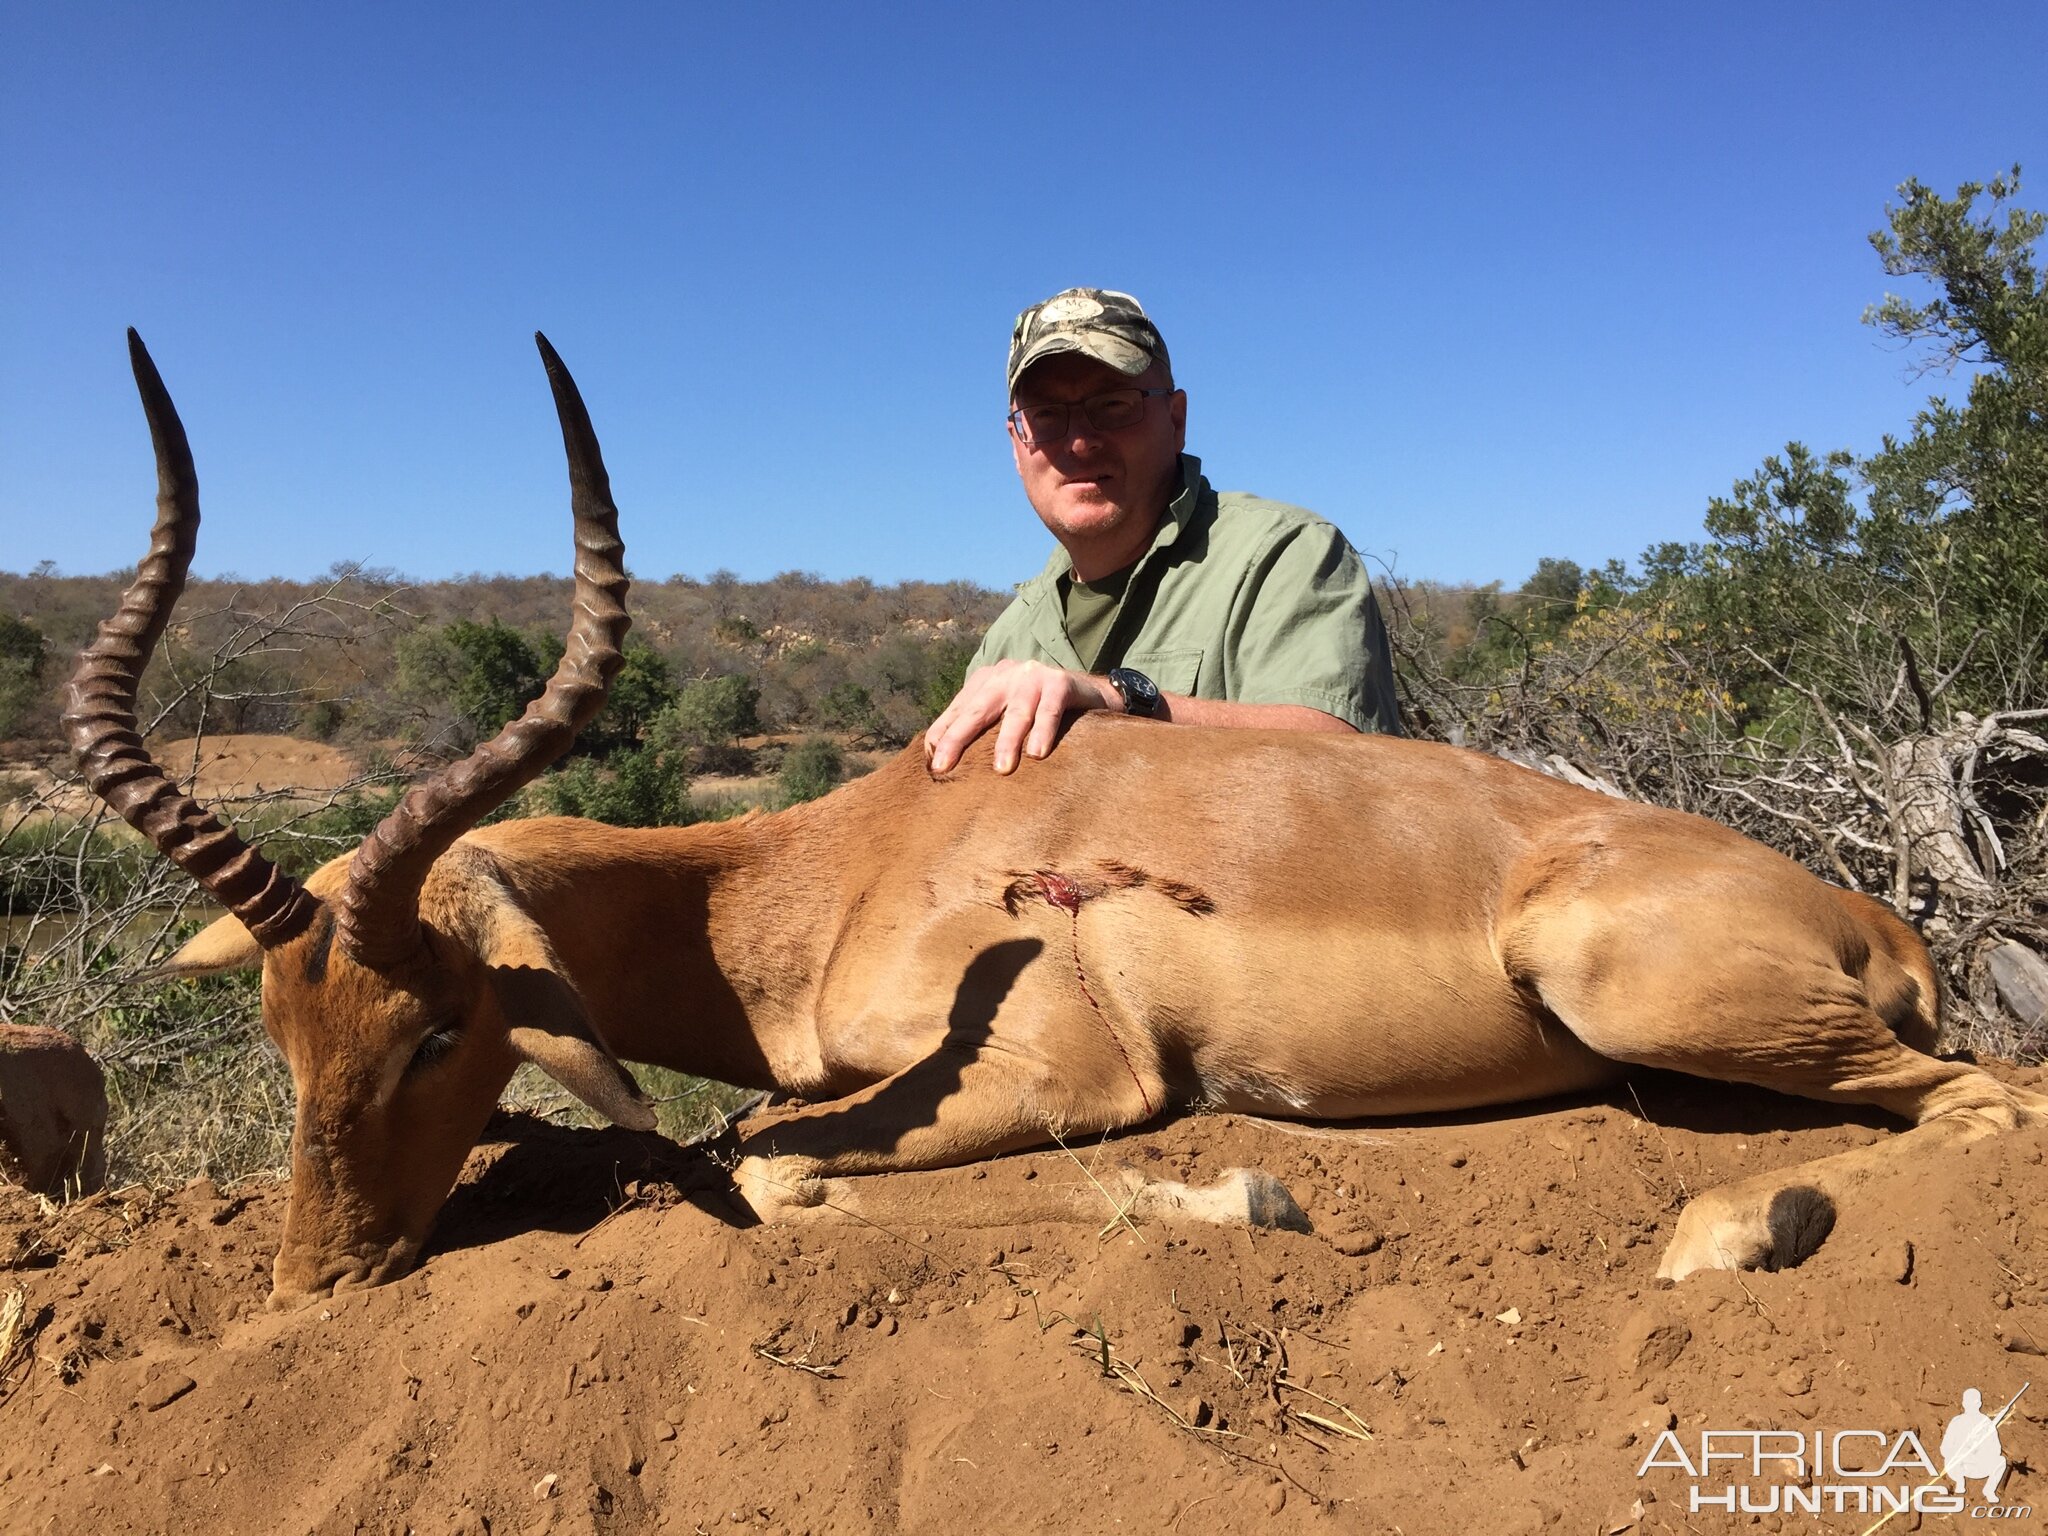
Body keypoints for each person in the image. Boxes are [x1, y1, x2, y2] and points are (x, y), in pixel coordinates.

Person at [925, 287, 1401, 775]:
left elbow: (1346, 763)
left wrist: (1117, 699)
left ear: (1176, 421)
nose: (1081, 441)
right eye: (1046, 416)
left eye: (1113, 406)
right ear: (1016, 443)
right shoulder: (1007, 642)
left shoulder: (1286, 553)